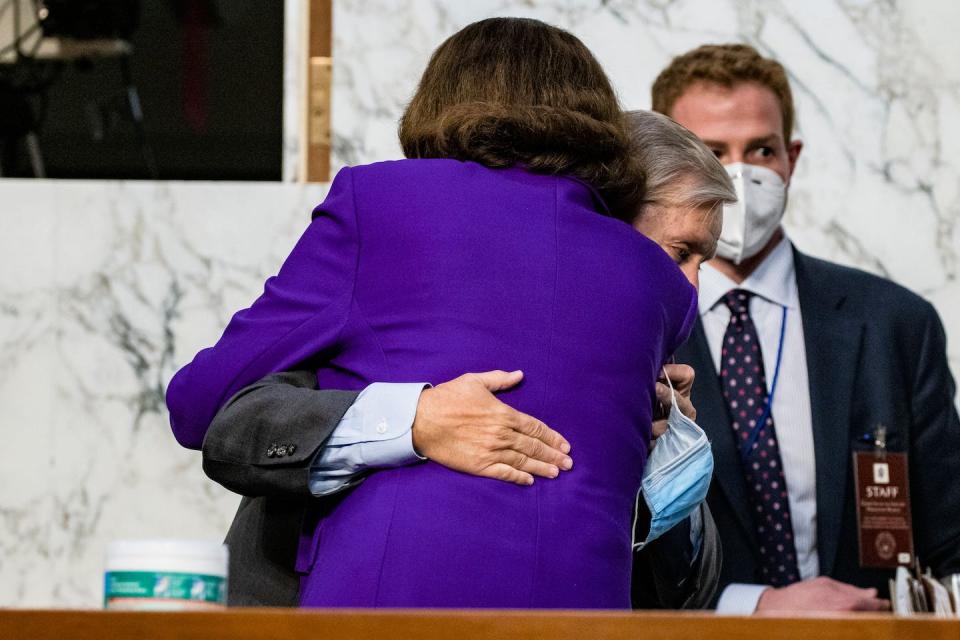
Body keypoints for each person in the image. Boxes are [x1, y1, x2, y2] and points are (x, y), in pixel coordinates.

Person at [167, 19, 703, 608]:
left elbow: (201, 402)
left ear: (439, 103)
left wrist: (398, 414)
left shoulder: (380, 204)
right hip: (583, 611)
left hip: (391, 601)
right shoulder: (654, 278)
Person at [650, 43, 960, 613]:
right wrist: (754, 606)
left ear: (791, 158)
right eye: (712, 151)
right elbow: (620, 545)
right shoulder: (635, 328)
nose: (738, 174)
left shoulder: (895, 324)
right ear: (666, 166)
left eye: (761, 149)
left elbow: (948, 540)